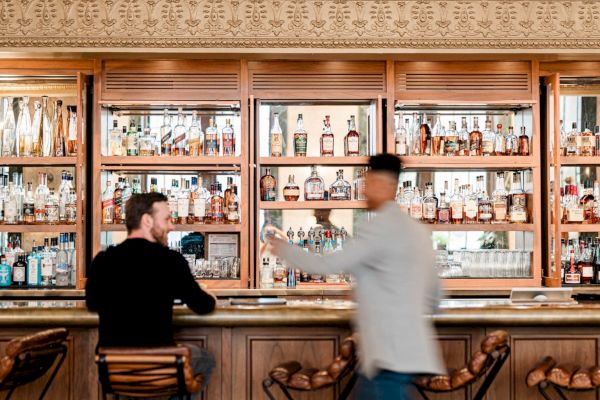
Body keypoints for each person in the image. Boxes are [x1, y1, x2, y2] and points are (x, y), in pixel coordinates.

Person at [266, 153, 444, 400]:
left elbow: (327, 265)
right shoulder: (418, 231)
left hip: (386, 353)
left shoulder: (378, 227)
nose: (364, 191)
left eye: (369, 184)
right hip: (410, 351)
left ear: (386, 186)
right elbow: (434, 297)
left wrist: (284, 248)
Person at [86, 192, 217, 397]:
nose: (172, 226)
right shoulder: (171, 261)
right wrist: (209, 296)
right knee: (206, 360)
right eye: (166, 219)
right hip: (160, 366)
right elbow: (203, 306)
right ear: (147, 220)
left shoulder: (102, 261)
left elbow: (92, 304)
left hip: (113, 369)